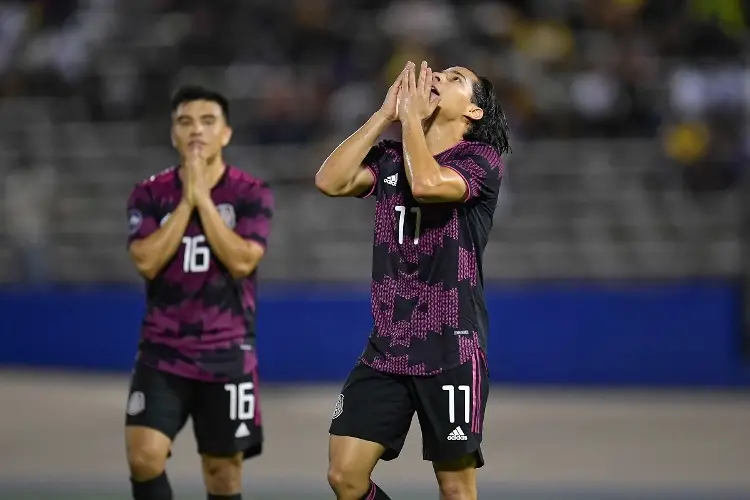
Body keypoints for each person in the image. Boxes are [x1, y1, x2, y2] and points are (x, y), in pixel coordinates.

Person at [315, 61, 511, 500]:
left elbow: (425, 184)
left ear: (474, 112)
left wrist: (408, 124)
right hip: (387, 347)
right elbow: (329, 180)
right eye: (437, 73)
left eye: (455, 78)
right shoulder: (389, 154)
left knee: (456, 488)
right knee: (345, 476)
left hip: (450, 347)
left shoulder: (480, 160)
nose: (438, 77)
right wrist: (385, 115)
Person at [124, 85, 274, 500]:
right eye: (185, 121)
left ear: (225, 133)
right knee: (143, 458)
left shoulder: (251, 193)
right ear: (173, 132)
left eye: (208, 121)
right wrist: (185, 203)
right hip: (161, 351)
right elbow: (146, 260)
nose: (196, 130)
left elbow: (244, 260)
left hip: (227, 353)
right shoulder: (149, 193)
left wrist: (200, 200)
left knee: (222, 475)